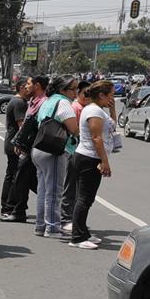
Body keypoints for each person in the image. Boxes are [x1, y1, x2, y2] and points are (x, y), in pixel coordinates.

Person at [67, 80, 114, 250]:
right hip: (89, 158)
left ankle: (83, 232)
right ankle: (77, 237)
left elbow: (112, 127)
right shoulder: (93, 110)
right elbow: (96, 138)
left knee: (87, 198)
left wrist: (112, 108)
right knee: (84, 198)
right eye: (110, 95)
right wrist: (104, 161)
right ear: (101, 95)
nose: (112, 98)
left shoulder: (98, 110)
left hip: (90, 157)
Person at [31, 76, 79, 239]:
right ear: (63, 90)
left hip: (39, 148)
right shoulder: (63, 103)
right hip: (54, 151)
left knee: (43, 190)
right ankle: (52, 227)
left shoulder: (47, 101)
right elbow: (73, 129)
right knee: (54, 191)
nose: (76, 92)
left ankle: (41, 226)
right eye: (73, 89)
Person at [2, 75, 47, 222]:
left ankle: (14, 208)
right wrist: (19, 142)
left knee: (22, 178)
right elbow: (23, 126)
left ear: (37, 85)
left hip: (30, 146)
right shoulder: (27, 102)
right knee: (19, 177)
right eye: (26, 84)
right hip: (22, 145)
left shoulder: (40, 102)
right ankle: (13, 208)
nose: (27, 86)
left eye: (29, 83)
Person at [0, 77, 33, 222]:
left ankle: (8, 206)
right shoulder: (19, 102)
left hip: (12, 143)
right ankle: (7, 207)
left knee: (12, 175)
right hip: (15, 145)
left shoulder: (19, 101)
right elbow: (21, 125)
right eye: (27, 86)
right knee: (13, 177)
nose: (29, 89)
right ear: (22, 88)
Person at [59, 79, 92, 235]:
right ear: (77, 93)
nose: (87, 96)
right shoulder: (76, 108)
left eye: (90, 93)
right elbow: (75, 130)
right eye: (84, 93)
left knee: (77, 188)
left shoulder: (85, 108)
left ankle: (73, 219)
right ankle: (66, 219)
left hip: (79, 151)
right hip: (72, 150)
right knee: (70, 187)